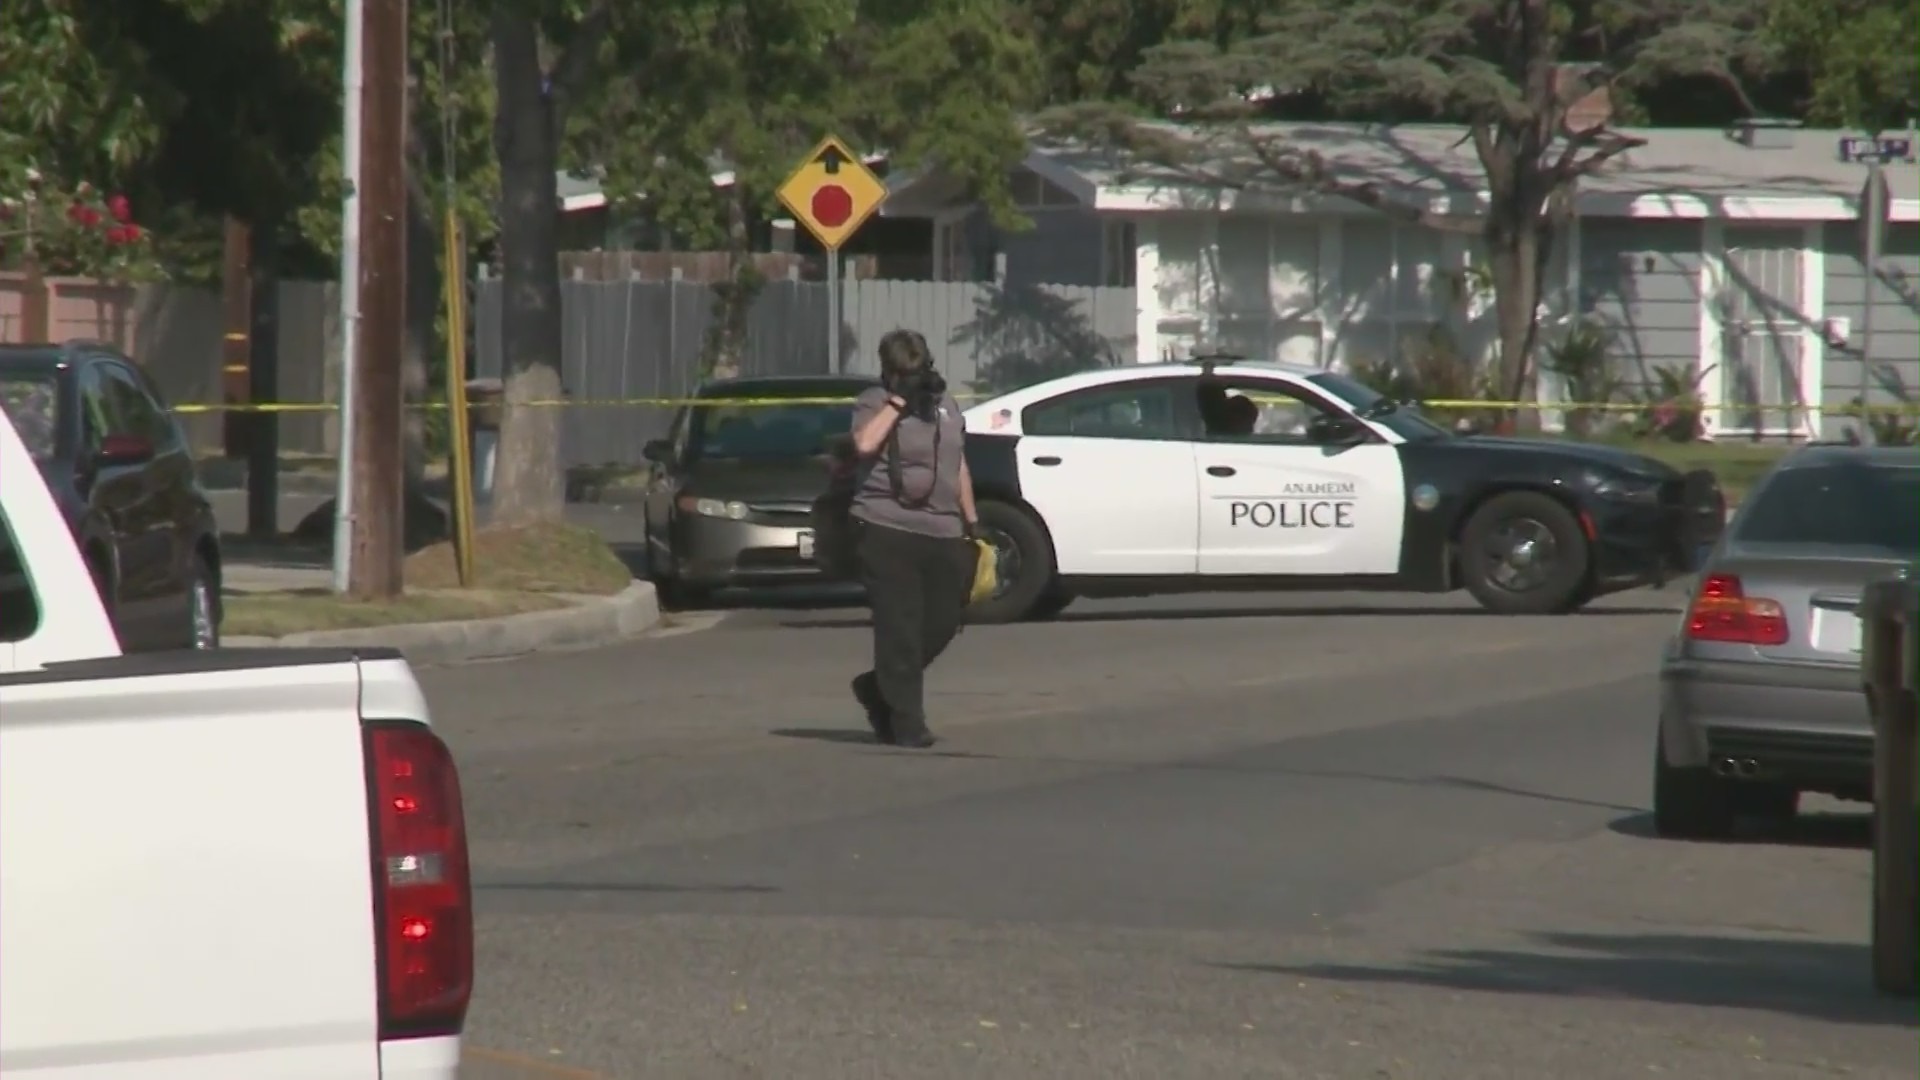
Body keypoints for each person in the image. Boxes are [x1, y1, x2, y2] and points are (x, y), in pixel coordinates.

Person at [846, 329, 978, 748]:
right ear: (889, 371)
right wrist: (898, 402)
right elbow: (864, 444)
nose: (916, 378)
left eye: (920, 370)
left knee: (942, 622)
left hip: (943, 530)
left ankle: (877, 686)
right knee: (898, 629)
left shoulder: (946, 405)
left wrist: (973, 521)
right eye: (905, 372)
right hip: (886, 527)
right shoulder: (873, 402)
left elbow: (957, 464)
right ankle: (907, 722)